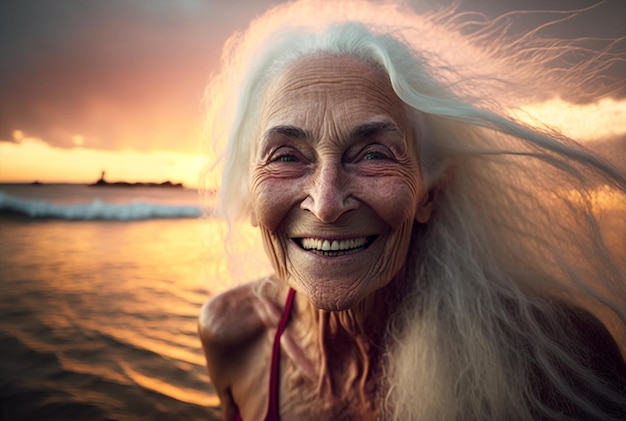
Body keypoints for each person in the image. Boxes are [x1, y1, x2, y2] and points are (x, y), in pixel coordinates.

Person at [198, 1, 626, 419]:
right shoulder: (232, 334)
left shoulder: (555, 356)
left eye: (372, 155)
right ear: (248, 195)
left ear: (429, 192)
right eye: (286, 157)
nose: (326, 204)